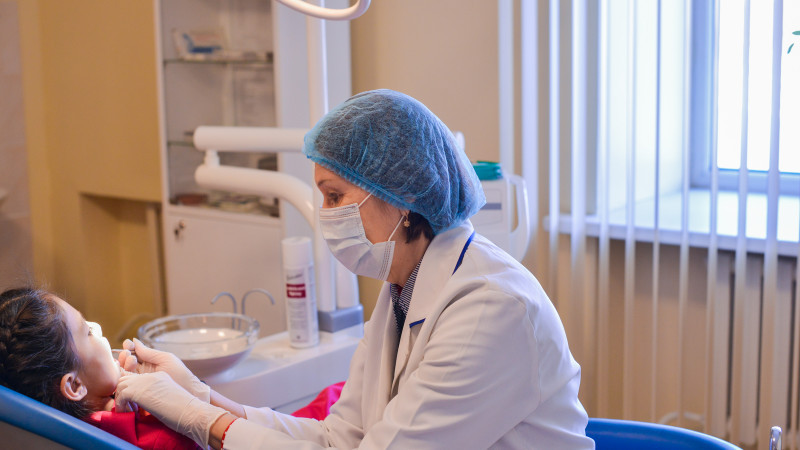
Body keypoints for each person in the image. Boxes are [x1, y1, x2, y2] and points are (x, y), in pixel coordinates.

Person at [115, 89, 595, 449]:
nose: (325, 213)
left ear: (402, 195)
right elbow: (339, 437)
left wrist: (202, 421)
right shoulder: (402, 292)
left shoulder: (491, 309)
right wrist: (201, 397)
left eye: (334, 196)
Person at [0, 287, 197, 449]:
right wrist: (195, 395)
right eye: (87, 332)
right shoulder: (167, 439)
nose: (97, 326)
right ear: (75, 386)